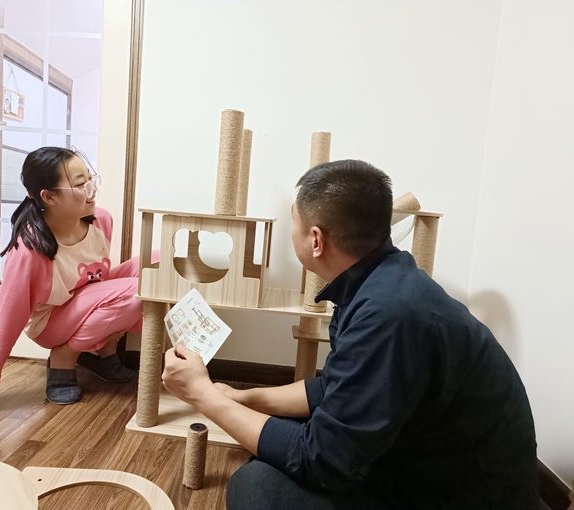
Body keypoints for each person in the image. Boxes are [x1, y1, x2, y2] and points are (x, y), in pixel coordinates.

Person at [161, 160, 538, 509]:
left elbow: (318, 460)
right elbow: (335, 388)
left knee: (258, 487)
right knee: (273, 439)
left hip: (459, 495)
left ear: (315, 240)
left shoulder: (387, 315)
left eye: (293, 221)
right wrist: (245, 398)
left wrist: (202, 394)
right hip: (424, 459)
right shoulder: (379, 280)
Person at [0, 146, 144, 428]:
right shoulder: (30, 250)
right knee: (137, 292)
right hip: (50, 323)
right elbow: (4, 321)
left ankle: (103, 353)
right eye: (80, 184)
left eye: (91, 180)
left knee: (154, 266)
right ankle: (64, 356)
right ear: (48, 197)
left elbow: (96, 281)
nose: (92, 190)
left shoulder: (101, 219)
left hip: (84, 303)